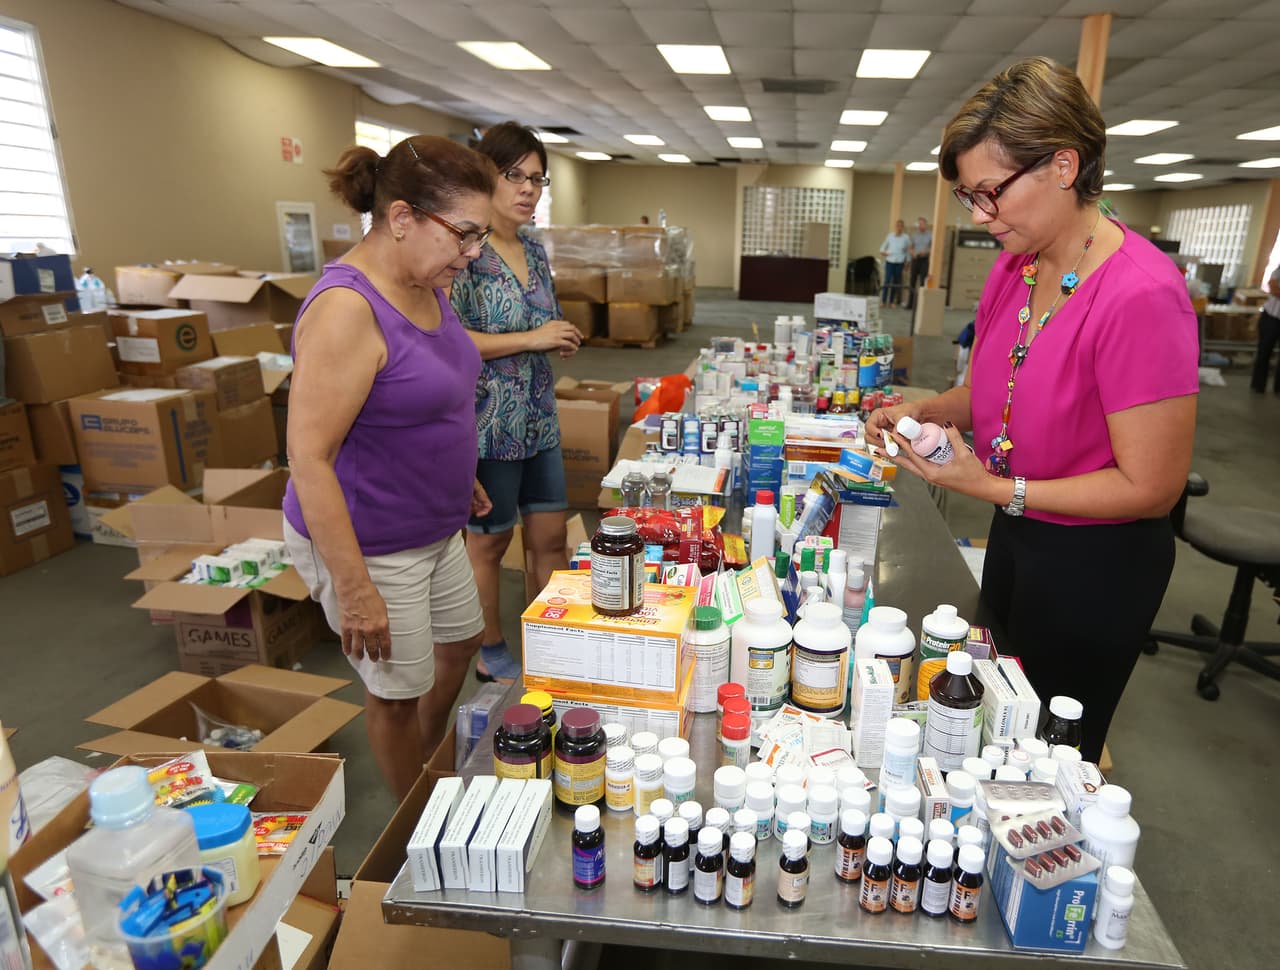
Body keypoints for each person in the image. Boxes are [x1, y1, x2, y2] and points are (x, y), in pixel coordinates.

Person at [866, 57, 1199, 762]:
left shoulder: (1140, 295)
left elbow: (1151, 487)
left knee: (1049, 752)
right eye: (968, 198)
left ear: (1063, 166)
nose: (980, 216)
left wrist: (991, 487)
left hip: (1098, 564)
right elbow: (993, 395)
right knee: (995, 721)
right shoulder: (1015, 266)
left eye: (991, 192)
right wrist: (922, 407)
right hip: (1018, 532)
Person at [282, 135, 497, 799]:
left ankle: (426, 766)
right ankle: (414, 823)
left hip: (434, 524)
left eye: (481, 236)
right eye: (464, 234)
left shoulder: (428, 282)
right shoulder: (347, 309)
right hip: (371, 540)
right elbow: (308, 457)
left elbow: (431, 392)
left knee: (461, 644)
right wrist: (354, 589)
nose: (473, 253)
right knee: (396, 693)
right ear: (402, 217)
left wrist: (461, 471)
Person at [450, 121, 582, 683]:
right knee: (491, 541)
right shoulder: (464, 252)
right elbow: (449, 341)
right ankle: (491, 647)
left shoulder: (533, 246)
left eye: (537, 179)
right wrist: (532, 339)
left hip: (539, 418)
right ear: (487, 174)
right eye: (515, 176)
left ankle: (546, 637)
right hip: (487, 425)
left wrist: (555, 335)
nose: (528, 189)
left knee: (550, 535)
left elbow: (537, 322)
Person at [1250, 265, 1280, 393]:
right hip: (1271, 317)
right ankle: (1258, 385)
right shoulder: (1278, 271)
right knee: (1264, 352)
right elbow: (1274, 289)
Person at [879, 219, 911, 307]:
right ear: (895, 227)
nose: (899, 228)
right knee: (887, 281)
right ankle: (883, 301)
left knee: (896, 282)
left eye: (901, 226)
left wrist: (908, 262)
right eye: (898, 226)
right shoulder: (890, 236)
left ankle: (892, 301)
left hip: (899, 262)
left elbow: (908, 251)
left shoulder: (906, 238)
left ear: (903, 227)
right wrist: (884, 252)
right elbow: (882, 248)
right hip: (890, 261)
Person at [906, 216, 932, 310]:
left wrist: (926, 252)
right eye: (919, 224)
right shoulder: (914, 235)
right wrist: (913, 253)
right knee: (912, 281)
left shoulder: (930, 235)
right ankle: (910, 304)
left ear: (926, 224)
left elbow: (932, 248)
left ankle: (920, 305)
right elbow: (910, 247)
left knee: (922, 282)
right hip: (915, 259)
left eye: (922, 223)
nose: (921, 225)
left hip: (924, 260)